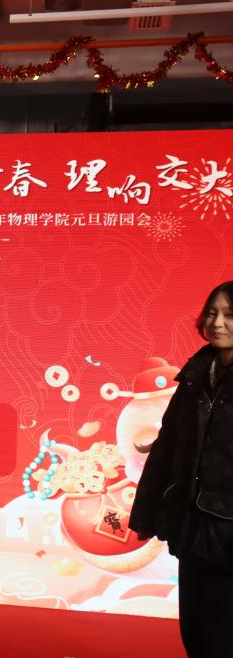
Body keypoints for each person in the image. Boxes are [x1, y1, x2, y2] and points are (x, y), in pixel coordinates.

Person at [130, 280, 233, 658]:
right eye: (212, 313)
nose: (217, 323)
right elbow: (166, 448)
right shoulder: (194, 376)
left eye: (230, 315)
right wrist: (145, 514)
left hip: (229, 531)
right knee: (194, 632)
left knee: (223, 636)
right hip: (191, 524)